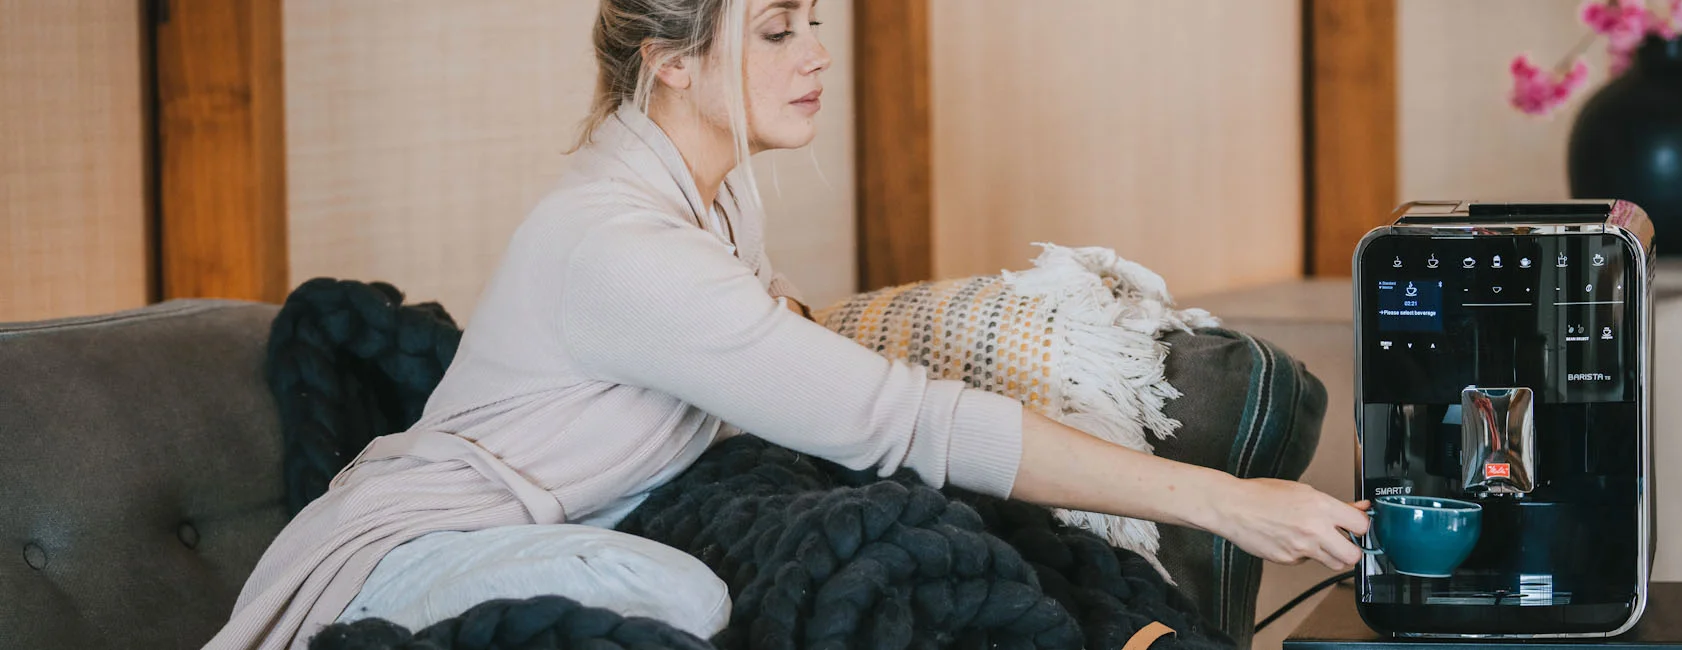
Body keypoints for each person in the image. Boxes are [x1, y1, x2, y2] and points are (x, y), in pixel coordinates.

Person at [206, 0, 1370, 647]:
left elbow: (793, 355)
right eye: (774, 29)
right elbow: (896, 415)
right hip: (412, 556)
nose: (816, 54)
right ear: (670, 64)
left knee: (907, 529)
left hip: (595, 511)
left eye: (811, 19)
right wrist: (1226, 499)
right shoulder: (614, 242)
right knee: (693, 601)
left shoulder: (714, 193)